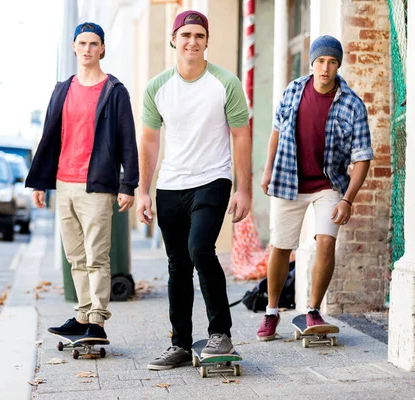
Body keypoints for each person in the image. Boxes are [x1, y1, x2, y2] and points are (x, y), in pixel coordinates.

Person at [137, 10, 251, 370]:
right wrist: (143, 191)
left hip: (213, 179)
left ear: (206, 41)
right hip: (170, 185)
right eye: (185, 34)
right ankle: (180, 344)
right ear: (174, 39)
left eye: (199, 35)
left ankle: (220, 333)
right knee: (177, 265)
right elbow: (150, 142)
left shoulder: (225, 83)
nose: (192, 41)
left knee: (200, 249)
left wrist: (244, 189)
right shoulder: (157, 87)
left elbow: (241, 136)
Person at [25, 22, 139, 341]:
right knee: (75, 255)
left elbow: (128, 141)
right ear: (74, 47)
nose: (87, 49)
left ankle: (98, 321)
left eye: (94, 43)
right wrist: (40, 183)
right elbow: (49, 137)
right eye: (82, 43)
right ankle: (82, 314)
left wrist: (128, 184)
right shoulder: (62, 88)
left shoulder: (114, 91)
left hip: (98, 185)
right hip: (64, 182)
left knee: (96, 255)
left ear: (102, 49)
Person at [257, 35, 373, 341]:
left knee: (326, 241)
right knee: (281, 246)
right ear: (312, 63)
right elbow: (276, 132)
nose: (325, 68)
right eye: (321, 61)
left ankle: (312, 309)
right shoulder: (294, 90)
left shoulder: (352, 104)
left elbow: (362, 159)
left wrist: (348, 200)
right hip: (288, 179)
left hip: (328, 183)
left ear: (338, 66)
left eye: (332, 62)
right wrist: (268, 170)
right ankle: (271, 312)